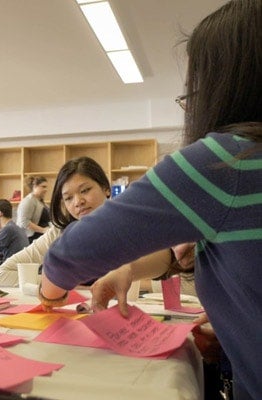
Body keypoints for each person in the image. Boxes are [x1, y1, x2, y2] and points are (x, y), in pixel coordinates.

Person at [40, 1, 262, 398]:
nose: (78, 202)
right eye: (68, 197)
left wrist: (46, 294)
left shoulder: (226, 161)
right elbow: (197, 254)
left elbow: (67, 256)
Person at [0, 157, 170, 287]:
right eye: (68, 198)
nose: (78, 202)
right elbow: (3, 273)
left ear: (106, 188)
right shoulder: (59, 234)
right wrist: (58, 282)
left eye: (85, 190)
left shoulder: (134, 224)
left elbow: (170, 280)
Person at [16, 176, 49, 243]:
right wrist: (43, 230)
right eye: (43, 187)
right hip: (30, 240)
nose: (46, 189)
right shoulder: (29, 201)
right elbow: (24, 222)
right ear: (35, 186)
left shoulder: (40, 202)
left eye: (46, 187)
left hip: (40, 239)